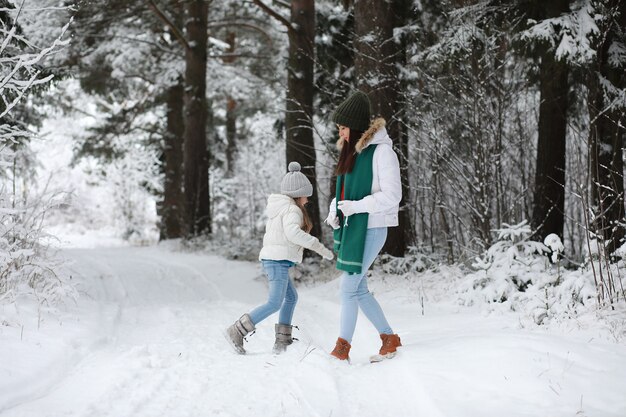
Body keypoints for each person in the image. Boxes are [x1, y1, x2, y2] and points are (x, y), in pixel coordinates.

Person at [325, 91, 403, 362]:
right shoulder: (354, 154)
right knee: (357, 290)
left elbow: (393, 196)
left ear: (356, 126)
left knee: (347, 288)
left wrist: (355, 208)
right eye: (339, 128)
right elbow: (345, 192)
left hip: (373, 229)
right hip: (355, 228)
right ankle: (389, 339)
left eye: (344, 128)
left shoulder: (382, 153)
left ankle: (342, 350)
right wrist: (334, 210)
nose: (342, 133)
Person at [226, 161, 334, 355]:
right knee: (274, 302)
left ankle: (282, 341)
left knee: (291, 298)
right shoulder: (292, 210)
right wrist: (320, 247)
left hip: (277, 261)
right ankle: (237, 330)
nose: (308, 198)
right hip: (276, 261)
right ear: (299, 193)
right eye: (307, 194)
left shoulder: (281, 208)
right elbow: (293, 233)